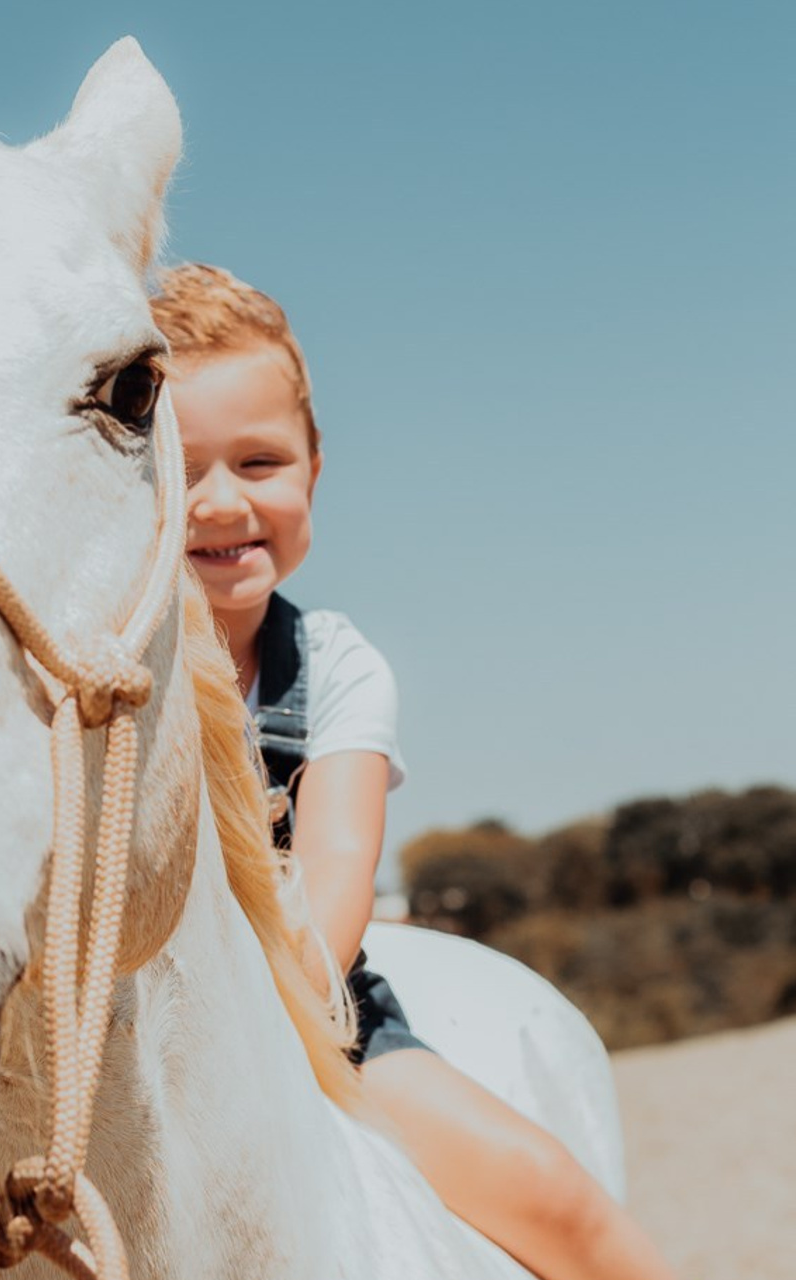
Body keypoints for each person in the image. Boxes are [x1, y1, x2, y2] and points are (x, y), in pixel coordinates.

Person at [149, 262, 677, 1280]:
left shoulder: (336, 666)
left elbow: (337, 877)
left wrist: (247, 1050)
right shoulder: (100, 673)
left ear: (312, 469)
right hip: (111, 1037)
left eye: (259, 462)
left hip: (313, 1023)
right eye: (181, 470)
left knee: (564, 1207)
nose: (221, 503)